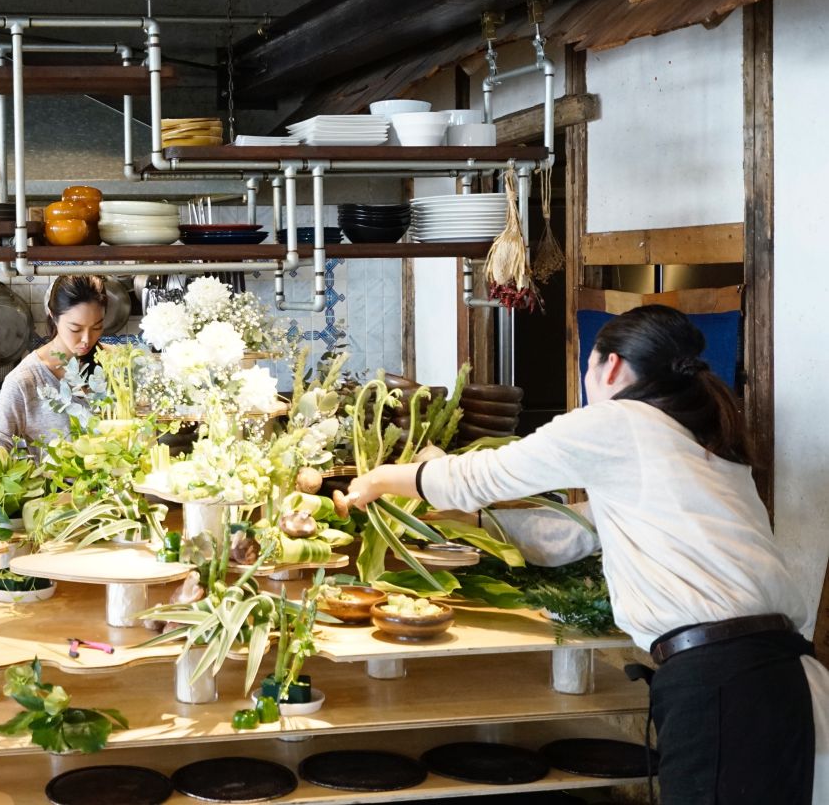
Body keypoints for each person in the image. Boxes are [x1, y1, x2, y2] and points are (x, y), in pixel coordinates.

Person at [335, 305, 829, 804]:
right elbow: (574, 532)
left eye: (588, 367)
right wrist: (478, 524)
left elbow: (480, 478)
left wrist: (379, 480)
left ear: (610, 366)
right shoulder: (693, 442)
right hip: (774, 679)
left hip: (726, 685)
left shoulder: (619, 421)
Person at [0, 275, 107, 452]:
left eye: (97, 327)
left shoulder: (117, 364)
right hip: (55, 480)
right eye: (75, 329)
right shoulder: (25, 381)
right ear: (52, 315)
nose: (87, 339)